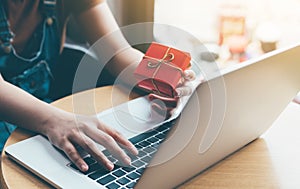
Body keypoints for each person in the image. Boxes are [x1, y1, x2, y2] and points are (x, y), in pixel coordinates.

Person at [0, 0, 194, 173]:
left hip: (45, 119)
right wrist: (53, 120)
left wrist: (160, 76)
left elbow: (117, 52)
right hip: (41, 120)